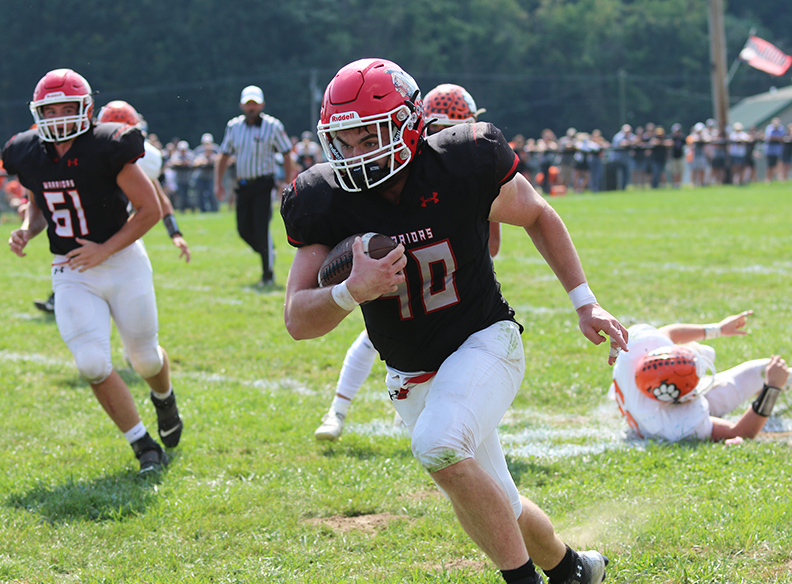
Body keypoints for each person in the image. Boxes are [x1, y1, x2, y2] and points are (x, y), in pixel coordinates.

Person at [281, 58, 628, 584]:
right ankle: (573, 569)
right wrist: (352, 289)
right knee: (496, 497)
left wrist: (585, 302)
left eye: (368, 136)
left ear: (408, 123)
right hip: (410, 373)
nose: (356, 155)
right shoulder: (325, 199)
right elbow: (297, 320)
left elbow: (537, 213)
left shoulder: (460, 161)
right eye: (344, 142)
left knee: (439, 447)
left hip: (484, 341)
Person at [4, 69, 182, 474]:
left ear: (87, 109)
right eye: (52, 110)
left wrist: (105, 249)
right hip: (71, 268)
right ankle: (143, 446)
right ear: (38, 113)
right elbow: (40, 202)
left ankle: (165, 397)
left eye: (70, 108)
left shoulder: (107, 144)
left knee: (144, 361)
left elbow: (150, 209)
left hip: (121, 261)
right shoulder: (27, 152)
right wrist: (28, 230)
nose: (61, 117)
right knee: (91, 363)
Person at [313, 82, 501, 442]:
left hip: (447, 280)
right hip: (394, 274)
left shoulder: (468, 170)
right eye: (445, 131)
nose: (455, 139)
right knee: (373, 337)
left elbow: (491, 246)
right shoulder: (396, 173)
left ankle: (419, 414)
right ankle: (337, 410)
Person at [32, 100, 192, 315]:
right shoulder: (85, 153)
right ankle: (59, 298)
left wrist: (175, 233)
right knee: (75, 269)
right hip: (85, 232)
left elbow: (158, 202)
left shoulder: (134, 159)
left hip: (122, 238)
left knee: (136, 322)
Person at [610, 310, 789, 443]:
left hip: (650, 405)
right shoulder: (676, 425)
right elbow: (740, 432)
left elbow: (669, 334)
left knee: (765, 368)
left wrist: (718, 329)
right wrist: (772, 387)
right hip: (663, 417)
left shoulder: (633, 353)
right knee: (767, 371)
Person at [214, 85, 294, 287]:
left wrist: (287, 181)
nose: (251, 108)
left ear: (262, 105)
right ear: (241, 105)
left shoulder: (273, 126)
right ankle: (268, 253)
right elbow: (223, 155)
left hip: (263, 183)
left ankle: (268, 273)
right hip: (243, 184)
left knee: (261, 227)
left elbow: (286, 152)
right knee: (243, 229)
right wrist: (218, 182)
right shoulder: (233, 126)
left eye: (254, 104)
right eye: (248, 104)